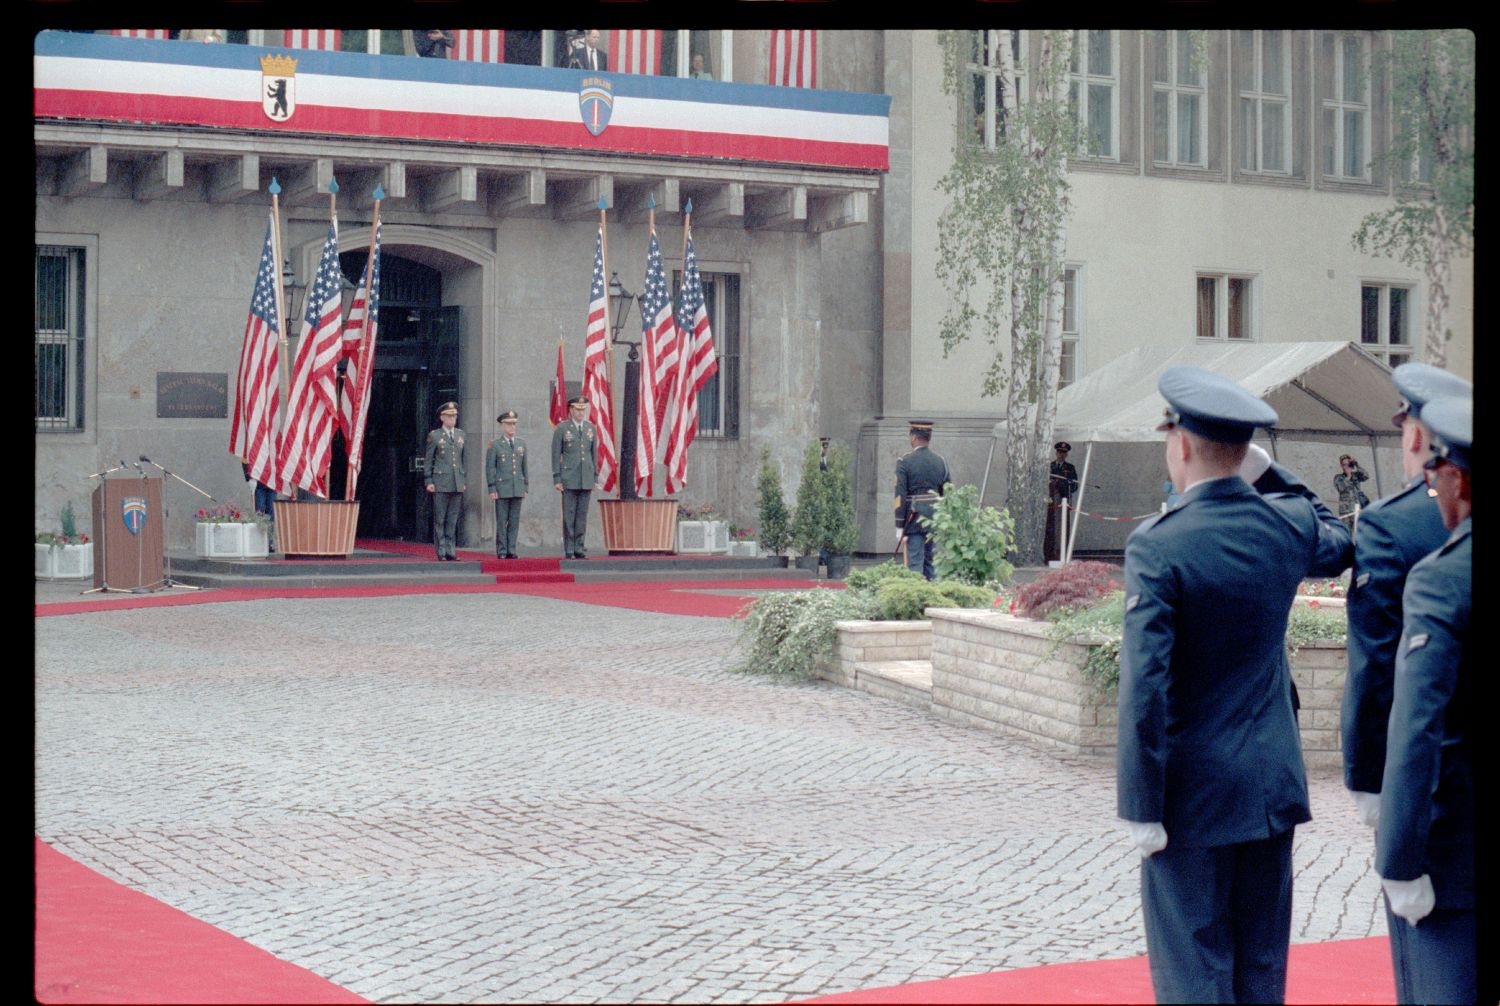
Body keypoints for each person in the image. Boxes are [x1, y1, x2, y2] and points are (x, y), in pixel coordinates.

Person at [1116, 366, 1352, 1004]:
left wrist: (1141, 805)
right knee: (1259, 971)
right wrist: (1268, 469)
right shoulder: (1286, 526)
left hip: (1192, 799)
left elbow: (1145, 689)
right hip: (1271, 786)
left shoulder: (1159, 546)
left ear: (1182, 444)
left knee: (1195, 973)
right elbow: (1337, 535)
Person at [1339, 362, 1472, 1002]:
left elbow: (1379, 675)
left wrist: (1372, 783)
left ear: (1418, 437)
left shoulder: (1391, 526)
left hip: (1442, 806)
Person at [1373, 394, 1474, 1005]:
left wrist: (1400, 859)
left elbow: (1417, 729)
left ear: (1458, 478)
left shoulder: (1443, 577)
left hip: (1458, 854)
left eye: (1436, 485)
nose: (1432, 496)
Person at [893, 420, 950, 580]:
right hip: (935, 518)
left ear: (913, 437)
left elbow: (900, 495)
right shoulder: (941, 461)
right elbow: (947, 491)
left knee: (914, 563)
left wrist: (899, 525)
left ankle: (916, 597)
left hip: (914, 518)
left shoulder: (905, 461)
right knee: (930, 563)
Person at [551, 396, 599, 559]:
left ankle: (579, 546)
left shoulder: (590, 428)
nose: (581, 413)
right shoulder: (563, 428)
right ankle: (569, 547)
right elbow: (556, 454)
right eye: (578, 409)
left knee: (582, 515)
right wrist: (557, 478)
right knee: (569, 514)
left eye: (583, 409)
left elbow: (594, 454)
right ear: (571, 410)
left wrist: (595, 477)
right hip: (569, 477)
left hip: (586, 476)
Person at [424, 401, 467, 560]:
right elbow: (429, 460)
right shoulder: (435, 436)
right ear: (442, 417)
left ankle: (451, 551)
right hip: (440, 482)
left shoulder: (461, 435)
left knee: (452, 520)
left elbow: (461, 460)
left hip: (456, 482)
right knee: (440, 519)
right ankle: (441, 551)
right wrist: (428, 480)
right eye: (449, 416)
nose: (453, 418)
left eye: (454, 415)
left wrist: (462, 480)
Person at [486, 410, 528, 559]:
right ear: (502, 426)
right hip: (502, 488)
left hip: (517, 487)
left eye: (514, 425)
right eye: (509, 425)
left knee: (514, 521)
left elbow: (524, 467)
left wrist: (525, 486)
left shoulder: (521, 444)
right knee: (502, 520)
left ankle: (511, 549)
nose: (512, 428)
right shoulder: (495, 445)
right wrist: (492, 487)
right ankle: (502, 549)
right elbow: (491, 468)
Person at [1045, 441, 1079, 562]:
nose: (1061, 455)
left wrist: (1062, 484)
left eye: (1064, 453)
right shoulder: (1049, 466)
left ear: (1067, 454)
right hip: (1050, 502)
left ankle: (1061, 553)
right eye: (1059, 452)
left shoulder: (1070, 468)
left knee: (1062, 528)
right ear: (1056, 453)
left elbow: (1074, 486)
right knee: (1050, 528)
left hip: (1063, 501)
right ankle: (1049, 553)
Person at [1334, 453, 1371, 518]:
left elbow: (1366, 476)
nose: (1346, 467)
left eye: (1348, 464)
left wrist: (1357, 464)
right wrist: (1348, 476)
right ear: (1341, 466)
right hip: (1346, 511)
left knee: (1357, 527)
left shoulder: (1356, 476)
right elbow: (1341, 488)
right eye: (1344, 465)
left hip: (1357, 509)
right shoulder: (1338, 478)